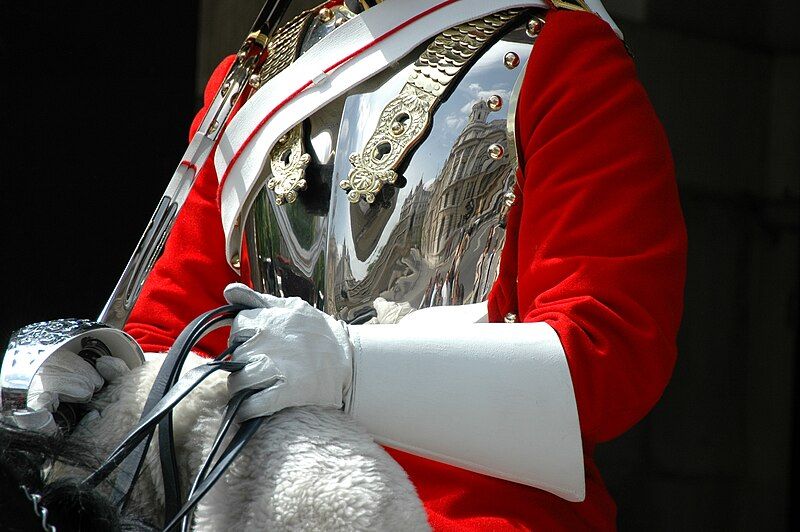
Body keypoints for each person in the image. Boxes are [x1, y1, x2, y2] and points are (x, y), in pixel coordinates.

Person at [19, 1, 688, 529]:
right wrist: (101, 385)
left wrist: (351, 368)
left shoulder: (563, 59)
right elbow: (172, 328)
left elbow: (610, 355)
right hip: (248, 502)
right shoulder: (260, 77)